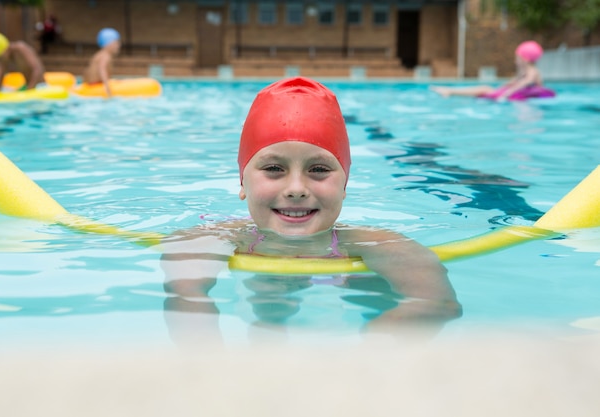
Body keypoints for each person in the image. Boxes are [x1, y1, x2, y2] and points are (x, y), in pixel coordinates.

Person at [160, 76, 462, 346]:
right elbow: (188, 297)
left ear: (344, 185)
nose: (296, 188)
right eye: (274, 168)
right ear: (242, 183)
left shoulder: (371, 244)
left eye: (318, 169)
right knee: (267, 319)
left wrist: (356, 366)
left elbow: (436, 303)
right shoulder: (218, 238)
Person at [431, 40, 546, 101]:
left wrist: (507, 93)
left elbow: (525, 83)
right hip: (515, 93)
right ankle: (449, 91)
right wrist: (504, 87)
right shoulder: (524, 71)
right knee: (486, 88)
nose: (515, 60)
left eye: (518, 58)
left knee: (484, 88)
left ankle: (450, 91)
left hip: (521, 95)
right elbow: (516, 81)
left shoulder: (532, 71)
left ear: (525, 59)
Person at [82, 28, 121, 98]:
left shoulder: (100, 54)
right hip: (95, 84)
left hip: (91, 84)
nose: (118, 45)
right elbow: (102, 69)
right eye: (116, 43)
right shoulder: (105, 55)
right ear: (108, 43)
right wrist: (107, 87)